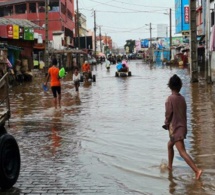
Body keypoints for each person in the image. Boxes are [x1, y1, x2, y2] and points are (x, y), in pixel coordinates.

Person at [164, 74, 202, 180]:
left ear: (170, 86)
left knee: (182, 152)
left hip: (176, 129)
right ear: (180, 86)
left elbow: (168, 114)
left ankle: (197, 170)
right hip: (182, 128)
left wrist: (166, 123)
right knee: (169, 145)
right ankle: (170, 167)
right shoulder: (182, 98)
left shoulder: (170, 99)